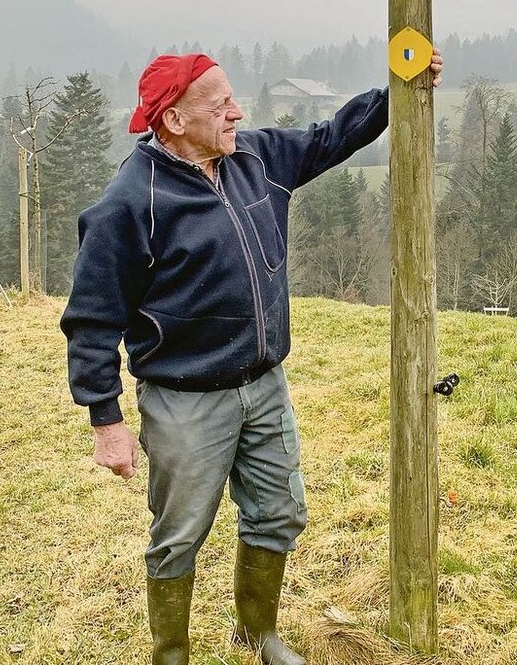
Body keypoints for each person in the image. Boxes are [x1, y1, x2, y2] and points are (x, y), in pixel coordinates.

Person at [61, 48, 442, 665]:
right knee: (178, 535)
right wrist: (106, 419)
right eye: (219, 106)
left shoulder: (255, 159)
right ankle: (171, 654)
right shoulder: (130, 203)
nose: (237, 112)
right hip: (184, 400)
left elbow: (332, 136)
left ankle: (258, 635)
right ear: (174, 120)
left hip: (265, 385)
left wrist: (399, 86)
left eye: (232, 100)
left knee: (277, 512)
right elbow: (92, 319)